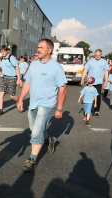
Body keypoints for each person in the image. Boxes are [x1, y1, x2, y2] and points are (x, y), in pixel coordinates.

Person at [17, 39, 67, 172]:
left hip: (47, 104)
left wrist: (59, 109)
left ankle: (32, 159)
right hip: (33, 103)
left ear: (49, 50)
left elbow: (63, 88)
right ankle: (49, 140)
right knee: (35, 130)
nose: (38, 50)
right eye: (38, 47)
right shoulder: (33, 65)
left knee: (36, 133)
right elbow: (27, 83)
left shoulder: (56, 67)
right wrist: (21, 99)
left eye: (41, 47)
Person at [80, 49, 109, 117]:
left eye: (99, 55)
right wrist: (82, 79)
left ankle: (96, 110)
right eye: (96, 55)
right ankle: (87, 109)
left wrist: (106, 81)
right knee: (88, 95)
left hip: (98, 82)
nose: (97, 56)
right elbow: (85, 70)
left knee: (98, 96)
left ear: (101, 55)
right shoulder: (90, 61)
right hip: (90, 81)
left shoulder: (104, 62)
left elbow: (106, 72)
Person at [0, 45, 21, 116]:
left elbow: (17, 68)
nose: (2, 53)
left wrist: (18, 79)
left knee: (12, 96)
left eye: (4, 51)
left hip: (12, 78)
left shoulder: (11, 58)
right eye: (1, 51)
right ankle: (0, 110)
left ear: (7, 51)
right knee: (1, 93)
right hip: (4, 78)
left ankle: (20, 101)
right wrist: (1, 73)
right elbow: (1, 68)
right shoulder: (2, 59)